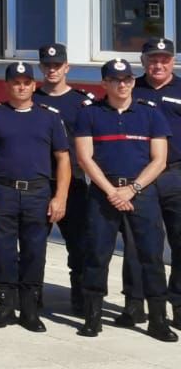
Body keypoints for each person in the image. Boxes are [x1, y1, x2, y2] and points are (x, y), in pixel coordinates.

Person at [75, 58, 176, 341]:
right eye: (116, 80)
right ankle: (92, 318)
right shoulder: (90, 113)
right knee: (97, 255)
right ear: (104, 83)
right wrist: (112, 191)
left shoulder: (150, 113)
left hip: (141, 193)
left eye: (128, 79)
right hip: (103, 193)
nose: (123, 85)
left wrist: (132, 189)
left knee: (151, 256)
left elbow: (159, 160)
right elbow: (85, 158)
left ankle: (158, 320)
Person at [0, 61, 70, 332]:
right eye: (16, 83)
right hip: (3, 191)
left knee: (34, 252)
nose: (21, 87)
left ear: (34, 85)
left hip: (38, 193)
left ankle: (29, 309)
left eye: (26, 82)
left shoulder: (49, 117)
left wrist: (60, 196)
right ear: (7, 85)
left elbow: (63, 158)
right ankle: (5, 306)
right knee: (4, 251)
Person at [33, 44, 95, 317]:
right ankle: (32, 297)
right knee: (34, 244)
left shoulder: (82, 103)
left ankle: (80, 298)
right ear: (40, 67)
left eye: (57, 65)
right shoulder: (31, 99)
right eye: (47, 65)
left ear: (67, 67)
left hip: (75, 183)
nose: (52, 69)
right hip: (39, 181)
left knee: (79, 245)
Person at [133, 37, 181, 324]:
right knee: (142, 244)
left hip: (176, 174)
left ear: (173, 61)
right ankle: (138, 303)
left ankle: (178, 303)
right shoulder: (130, 88)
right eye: (153, 59)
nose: (158, 64)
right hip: (141, 177)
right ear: (143, 62)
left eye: (164, 59)